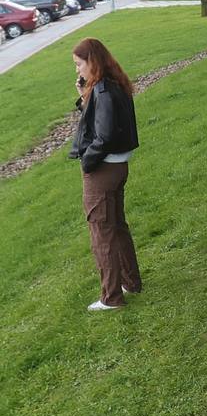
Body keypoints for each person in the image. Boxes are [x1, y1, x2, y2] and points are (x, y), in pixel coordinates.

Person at [69, 37, 140, 311]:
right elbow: (98, 121)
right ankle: (130, 282)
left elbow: (105, 134)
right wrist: (82, 93)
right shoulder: (112, 84)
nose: (77, 70)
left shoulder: (103, 91)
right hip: (117, 166)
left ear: (92, 62)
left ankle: (111, 298)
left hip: (104, 169)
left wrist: (88, 160)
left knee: (102, 233)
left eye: (79, 65)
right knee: (117, 227)